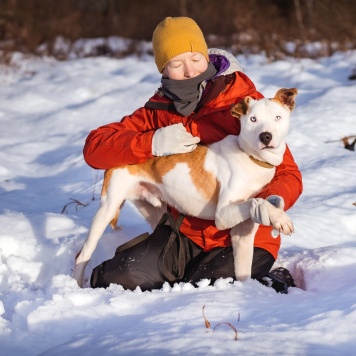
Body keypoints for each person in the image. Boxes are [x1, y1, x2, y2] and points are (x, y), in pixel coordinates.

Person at [83, 17, 303, 292]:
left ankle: (272, 278)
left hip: (245, 236)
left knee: (207, 285)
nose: (188, 70)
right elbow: (95, 149)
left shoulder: (245, 104)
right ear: (163, 68)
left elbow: (287, 172)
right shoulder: (157, 111)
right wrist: (152, 142)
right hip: (185, 233)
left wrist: (270, 204)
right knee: (113, 277)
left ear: (206, 55)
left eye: (195, 58)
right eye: (176, 64)